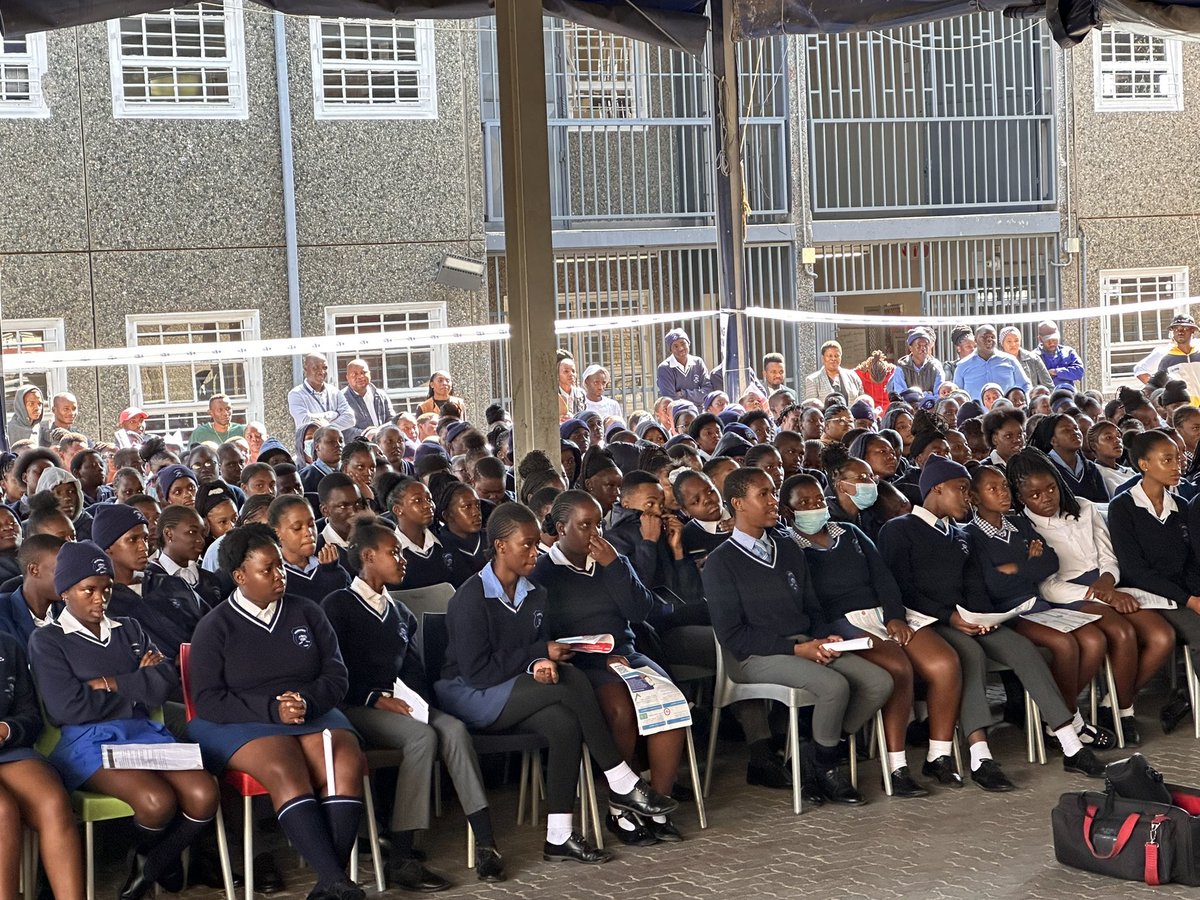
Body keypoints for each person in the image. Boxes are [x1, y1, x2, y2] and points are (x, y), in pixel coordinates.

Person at [435, 502, 677, 865]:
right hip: (472, 694)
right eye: (526, 545)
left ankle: (559, 836)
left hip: (513, 685)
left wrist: (540, 662)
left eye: (536, 544)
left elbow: (531, 648)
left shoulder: (535, 593)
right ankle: (621, 778)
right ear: (501, 547)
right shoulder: (471, 597)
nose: (535, 553)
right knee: (572, 678)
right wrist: (537, 653)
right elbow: (477, 672)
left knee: (564, 725)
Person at [29, 540, 220, 900]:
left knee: (204, 793)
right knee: (155, 801)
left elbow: (165, 680)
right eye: (89, 590)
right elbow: (67, 708)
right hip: (88, 742)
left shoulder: (128, 628)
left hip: (145, 733)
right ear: (65, 591)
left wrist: (109, 684)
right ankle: (147, 872)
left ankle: (148, 865)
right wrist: (136, 686)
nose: (100, 599)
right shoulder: (49, 640)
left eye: (106, 589)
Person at [187, 524, 366, 900]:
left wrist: (307, 703)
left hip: (308, 710)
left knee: (344, 757)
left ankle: (330, 882)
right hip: (239, 719)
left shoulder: (307, 611)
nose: (279, 575)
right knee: (285, 762)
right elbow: (208, 699)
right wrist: (270, 709)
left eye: (280, 566)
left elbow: (336, 674)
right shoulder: (215, 626)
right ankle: (335, 878)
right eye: (266, 569)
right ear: (240, 576)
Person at [322, 518, 503, 888]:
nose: (402, 559)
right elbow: (333, 673)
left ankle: (486, 844)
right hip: (356, 706)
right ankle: (402, 857)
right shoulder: (338, 605)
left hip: (397, 703)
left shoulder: (400, 612)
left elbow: (415, 672)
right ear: (368, 557)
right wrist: (375, 698)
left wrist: (419, 702)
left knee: (452, 729)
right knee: (422, 738)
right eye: (394, 553)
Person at [703, 467, 890, 804]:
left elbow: (813, 609)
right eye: (764, 494)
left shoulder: (788, 548)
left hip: (804, 643)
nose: (774, 501)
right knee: (834, 686)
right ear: (738, 504)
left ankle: (814, 755)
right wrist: (797, 649)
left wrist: (825, 637)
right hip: (755, 656)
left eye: (773, 492)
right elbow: (733, 634)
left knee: (879, 682)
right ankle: (827, 766)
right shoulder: (721, 562)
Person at [781, 473, 964, 796]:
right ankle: (896, 767)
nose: (814, 507)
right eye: (804, 504)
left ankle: (939, 756)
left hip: (883, 613)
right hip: (841, 622)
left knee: (945, 663)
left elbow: (883, 576)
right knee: (898, 668)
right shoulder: (789, 547)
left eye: (818, 501)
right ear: (787, 511)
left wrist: (895, 616)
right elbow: (808, 602)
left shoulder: (849, 532)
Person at [1007, 448, 1175, 747]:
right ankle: (1124, 712)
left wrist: (1108, 582)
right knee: (1121, 632)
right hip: (1068, 595)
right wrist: (1099, 595)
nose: (1046, 498)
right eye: (1034, 495)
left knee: (1162, 636)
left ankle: (1113, 703)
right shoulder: (1024, 527)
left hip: (1105, 584)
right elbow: (1046, 585)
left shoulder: (1084, 508)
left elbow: (1107, 556)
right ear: (1020, 498)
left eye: (1050, 488)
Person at [876, 456, 1018, 792]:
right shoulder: (899, 529)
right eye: (961, 489)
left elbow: (971, 587)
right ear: (937, 489)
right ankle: (966, 753)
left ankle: (940, 756)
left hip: (950, 617)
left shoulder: (959, 534)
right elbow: (899, 586)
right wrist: (949, 616)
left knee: (967, 653)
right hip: (911, 616)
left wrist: (980, 617)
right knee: (954, 659)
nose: (968, 498)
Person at [964, 466, 1112, 772]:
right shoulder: (972, 536)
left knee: (1094, 639)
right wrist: (1027, 563)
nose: (1003, 492)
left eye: (1004, 486)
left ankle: (1061, 717)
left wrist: (1016, 567)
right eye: (993, 489)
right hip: (1010, 614)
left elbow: (1050, 562)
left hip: (1039, 603)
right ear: (975, 498)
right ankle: (1070, 724)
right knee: (1065, 644)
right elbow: (994, 585)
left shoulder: (1018, 523)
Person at [1104, 431, 1200, 734]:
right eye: (1167, 460)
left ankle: (1120, 700)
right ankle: (1120, 700)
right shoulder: (1123, 507)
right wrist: (1189, 599)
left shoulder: (1180, 506)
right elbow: (1134, 569)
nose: (1177, 466)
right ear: (1144, 464)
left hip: (1177, 593)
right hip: (1141, 594)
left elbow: (1189, 562)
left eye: (1179, 459)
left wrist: (1193, 592)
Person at [0, 628, 86, 899]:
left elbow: (30, 716)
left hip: (7, 748)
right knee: (2, 811)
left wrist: (6, 729)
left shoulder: (8, 644)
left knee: (52, 801)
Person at [269, 494, 351, 605]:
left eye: (311, 524)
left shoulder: (332, 561)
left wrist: (333, 573)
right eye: (297, 528)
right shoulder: (274, 576)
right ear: (277, 533)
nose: (308, 532)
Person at [388, 477, 455, 589]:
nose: (428, 505)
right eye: (418, 500)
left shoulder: (446, 544)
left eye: (429, 499)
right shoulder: (390, 553)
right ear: (398, 510)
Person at [1030, 413, 1109, 503]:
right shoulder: (1045, 469)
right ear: (1053, 440)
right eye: (1066, 430)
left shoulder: (1090, 468)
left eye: (1076, 428)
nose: (1075, 433)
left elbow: (1105, 503)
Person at [952, 325, 1030, 401]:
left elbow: (1025, 385)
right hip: (976, 413)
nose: (989, 340)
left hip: (1006, 412)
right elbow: (957, 395)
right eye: (985, 337)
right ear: (975, 340)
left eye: (992, 337)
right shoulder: (963, 366)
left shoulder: (1010, 361)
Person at [434, 478, 487, 588]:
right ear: (447, 515)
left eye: (477, 505)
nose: (476, 513)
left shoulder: (490, 538)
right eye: (467, 507)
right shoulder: (439, 547)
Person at [288, 353, 355, 433]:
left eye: (325, 368)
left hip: (335, 444)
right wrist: (333, 414)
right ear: (305, 368)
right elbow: (305, 420)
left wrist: (325, 429)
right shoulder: (296, 394)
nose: (321, 372)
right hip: (311, 443)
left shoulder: (335, 392)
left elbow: (350, 418)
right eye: (315, 368)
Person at [340, 358, 395, 440]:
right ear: (347, 377)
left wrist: (380, 433)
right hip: (359, 448)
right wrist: (368, 435)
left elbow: (392, 420)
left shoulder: (381, 395)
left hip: (384, 444)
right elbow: (344, 430)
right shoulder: (341, 399)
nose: (360, 376)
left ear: (369, 374)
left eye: (364, 372)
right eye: (355, 374)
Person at [656, 328, 711, 407]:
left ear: (688, 343)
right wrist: (697, 399)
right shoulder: (665, 368)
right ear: (670, 350)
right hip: (678, 415)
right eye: (675, 346)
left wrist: (683, 393)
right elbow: (671, 399)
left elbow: (707, 391)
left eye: (683, 343)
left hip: (699, 414)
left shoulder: (698, 362)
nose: (680, 348)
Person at [887, 328, 944, 397]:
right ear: (910, 348)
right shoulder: (902, 367)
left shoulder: (936, 366)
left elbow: (939, 393)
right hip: (909, 407)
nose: (923, 348)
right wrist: (927, 394)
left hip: (931, 406)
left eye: (925, 345)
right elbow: (901, 395)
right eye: (918, 345)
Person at [1036, 321, 1084, 389]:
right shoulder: (1034, 357)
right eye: (1047, 340)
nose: (1051, 343)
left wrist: (1056, 372)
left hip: (1068, 393)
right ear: (1040, 339)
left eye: (1054, 340)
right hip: (1046, 396)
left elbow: (1079, 371)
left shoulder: (1068, 352)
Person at [556, 352, 587, 422]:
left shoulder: (581, 393)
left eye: (573, 371)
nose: (571, 374)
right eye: (566, 371)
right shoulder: (552, 395)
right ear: (557, 374)